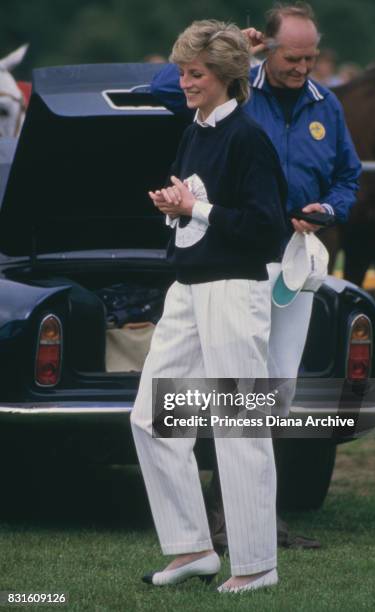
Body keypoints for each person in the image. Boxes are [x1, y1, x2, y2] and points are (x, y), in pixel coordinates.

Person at [150, 1, 361, 550]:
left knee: (277, 389)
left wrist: (328, 210)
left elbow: (347, 175)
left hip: (295, 253)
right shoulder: (234, 93)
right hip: (236, 254)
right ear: (267, 49)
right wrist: (224, 53)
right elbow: (164, 88)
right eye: (292, 57)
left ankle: (249, 515)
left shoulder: (327, 106)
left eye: (311, 57)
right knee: (234, 389)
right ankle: (225, 517)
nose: (302, 67)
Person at [131, 20, 288, 593]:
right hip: (189, 287)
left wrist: (196, 208)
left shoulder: (248, 137)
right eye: (182, 71)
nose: (184, 82)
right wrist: (176, 206)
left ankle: (257, 565)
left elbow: (267, 229)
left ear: (224, 78)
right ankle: (192, 548)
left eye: (195, 74)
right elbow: (202, 209)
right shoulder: (196, 128)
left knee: (238, 427)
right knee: (150, 418)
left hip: (235, 290)